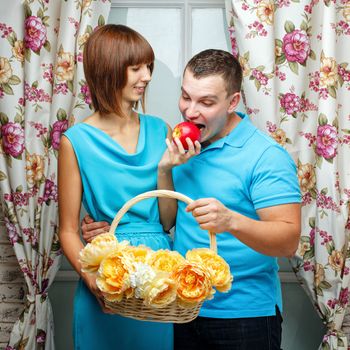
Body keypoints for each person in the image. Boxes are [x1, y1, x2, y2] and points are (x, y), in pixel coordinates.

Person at [82, 49, 301, 350]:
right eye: (186, 97)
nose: (190, 112)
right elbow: (168, 222)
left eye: (206, 102)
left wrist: (231, 221)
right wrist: (162, 172)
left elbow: (288, 240)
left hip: (243, 316)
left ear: (233, 102)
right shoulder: (182, 146)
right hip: (180, 311)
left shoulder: (265, 156)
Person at [58, 24, 191, 350]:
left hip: (157, 275)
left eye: (149, 66)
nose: (146, 76)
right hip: (106, 273)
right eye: (136, 68)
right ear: (108, 70)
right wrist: (93, 282)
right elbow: (68, 231)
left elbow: (167, 221)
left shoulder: (161, 129)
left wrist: (164, 170)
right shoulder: (75, 141)